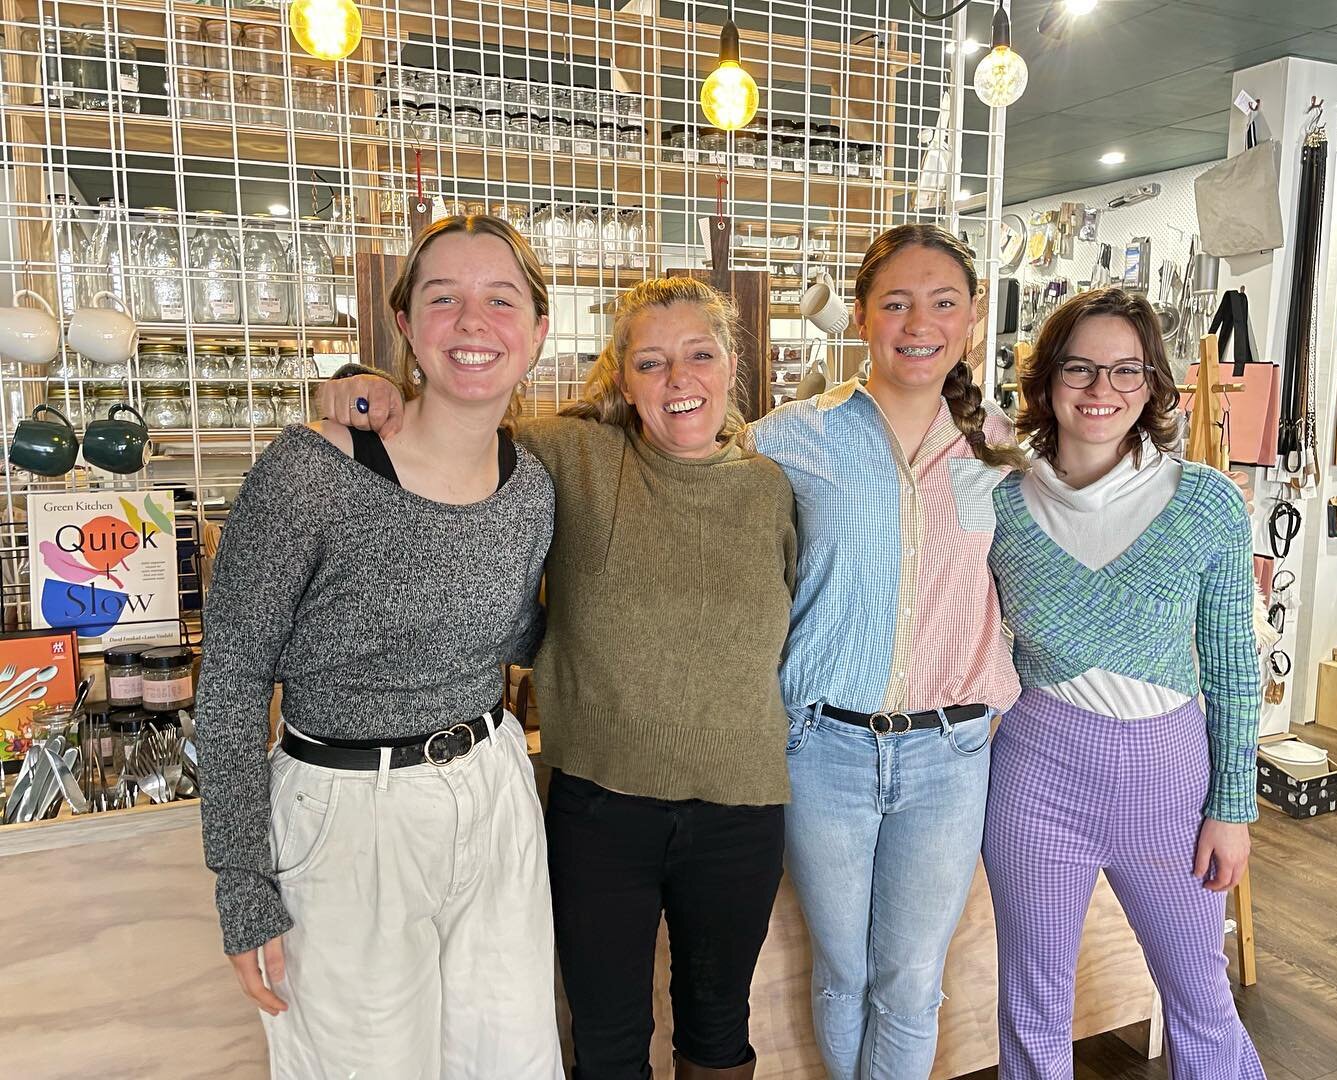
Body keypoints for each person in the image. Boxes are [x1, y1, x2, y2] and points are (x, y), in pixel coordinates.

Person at [316, 276, 797, 1080]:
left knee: (719, 1033)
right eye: (651, 362)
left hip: (742, 808)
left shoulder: (771, 488)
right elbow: (454, 433)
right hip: (602, 808)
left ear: (730, 364)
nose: (679, 380)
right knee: (605, 1042)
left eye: (698, 355)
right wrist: (379, 390)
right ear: (620, 378)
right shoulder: (569, 456)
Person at [195, 215, 564, 1078]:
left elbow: (515, 631)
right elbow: (235, 676)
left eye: (500, 300)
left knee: (509, 1062)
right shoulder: (312, 469)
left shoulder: (533, 485)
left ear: (539, 331)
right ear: (406, 325)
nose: (474, 324)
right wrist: (241, 881)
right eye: (445, 298)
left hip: (494, 790)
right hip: (348, 811)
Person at [749, 223, 1028, 1078]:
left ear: (972, 319)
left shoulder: (1005, 451)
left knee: (911, 980)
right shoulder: (793, 434)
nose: (920, 321)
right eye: (897, 302)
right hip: (824, 748)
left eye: (944, 302)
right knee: (843, 974)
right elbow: (680, 465)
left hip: (950, 755)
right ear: (861, 316)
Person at [985, 287, 1266, 1079]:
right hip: (1038, 776)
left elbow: (1235, 669)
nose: (1101, 390)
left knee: (1201, 998)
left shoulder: (1205, 502)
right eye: (1080, 368)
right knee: (1032, 1004)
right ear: (1045, 382)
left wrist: (1233, 807)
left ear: (1152, 387)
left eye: (1126, 371)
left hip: (1170, 779)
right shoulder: (1000, 501)